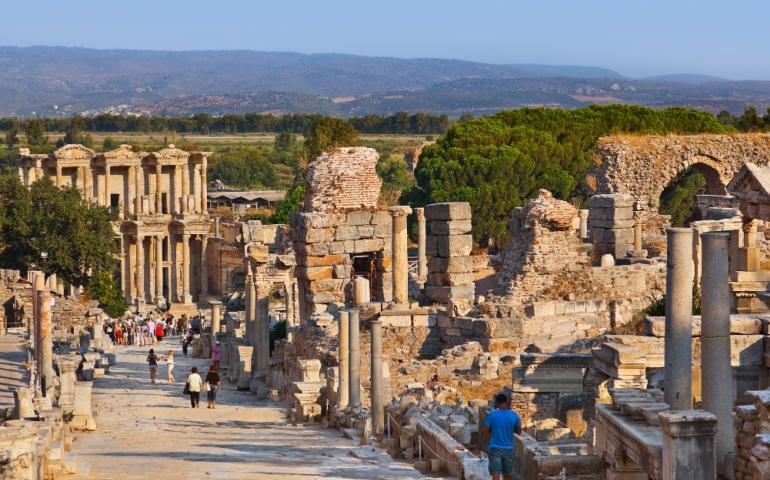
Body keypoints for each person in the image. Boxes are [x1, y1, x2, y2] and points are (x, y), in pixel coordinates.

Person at [482, 393, 522, 480]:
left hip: (494, 448)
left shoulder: (492, 415)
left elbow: (485, 431)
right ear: (506, 402)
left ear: (497, 403)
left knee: (495, 474)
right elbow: (519, 432)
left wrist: (493, 429)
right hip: (509, 448)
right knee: (507, 474)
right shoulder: (515, 416)